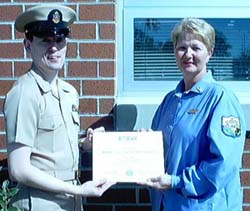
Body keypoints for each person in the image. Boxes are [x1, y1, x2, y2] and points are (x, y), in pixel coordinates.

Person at [3, 4, 115, 211]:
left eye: (60, 39)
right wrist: (79, 191)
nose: (54, 47)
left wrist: (84, 143)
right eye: (45, 40)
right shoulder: (24, 93)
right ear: (28, 44)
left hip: (69, 202)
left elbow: (48, 145)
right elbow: (18, 169)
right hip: (39, 203)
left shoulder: (68, 92)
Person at [140, 18, 246, 211]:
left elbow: (222, 165)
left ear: (210, 53)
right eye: (182, 48)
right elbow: (161, 150)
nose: (188, 54)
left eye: (196, 48)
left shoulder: (221, 99)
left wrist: (176, 181)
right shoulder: (169, 101)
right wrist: (147, 143)